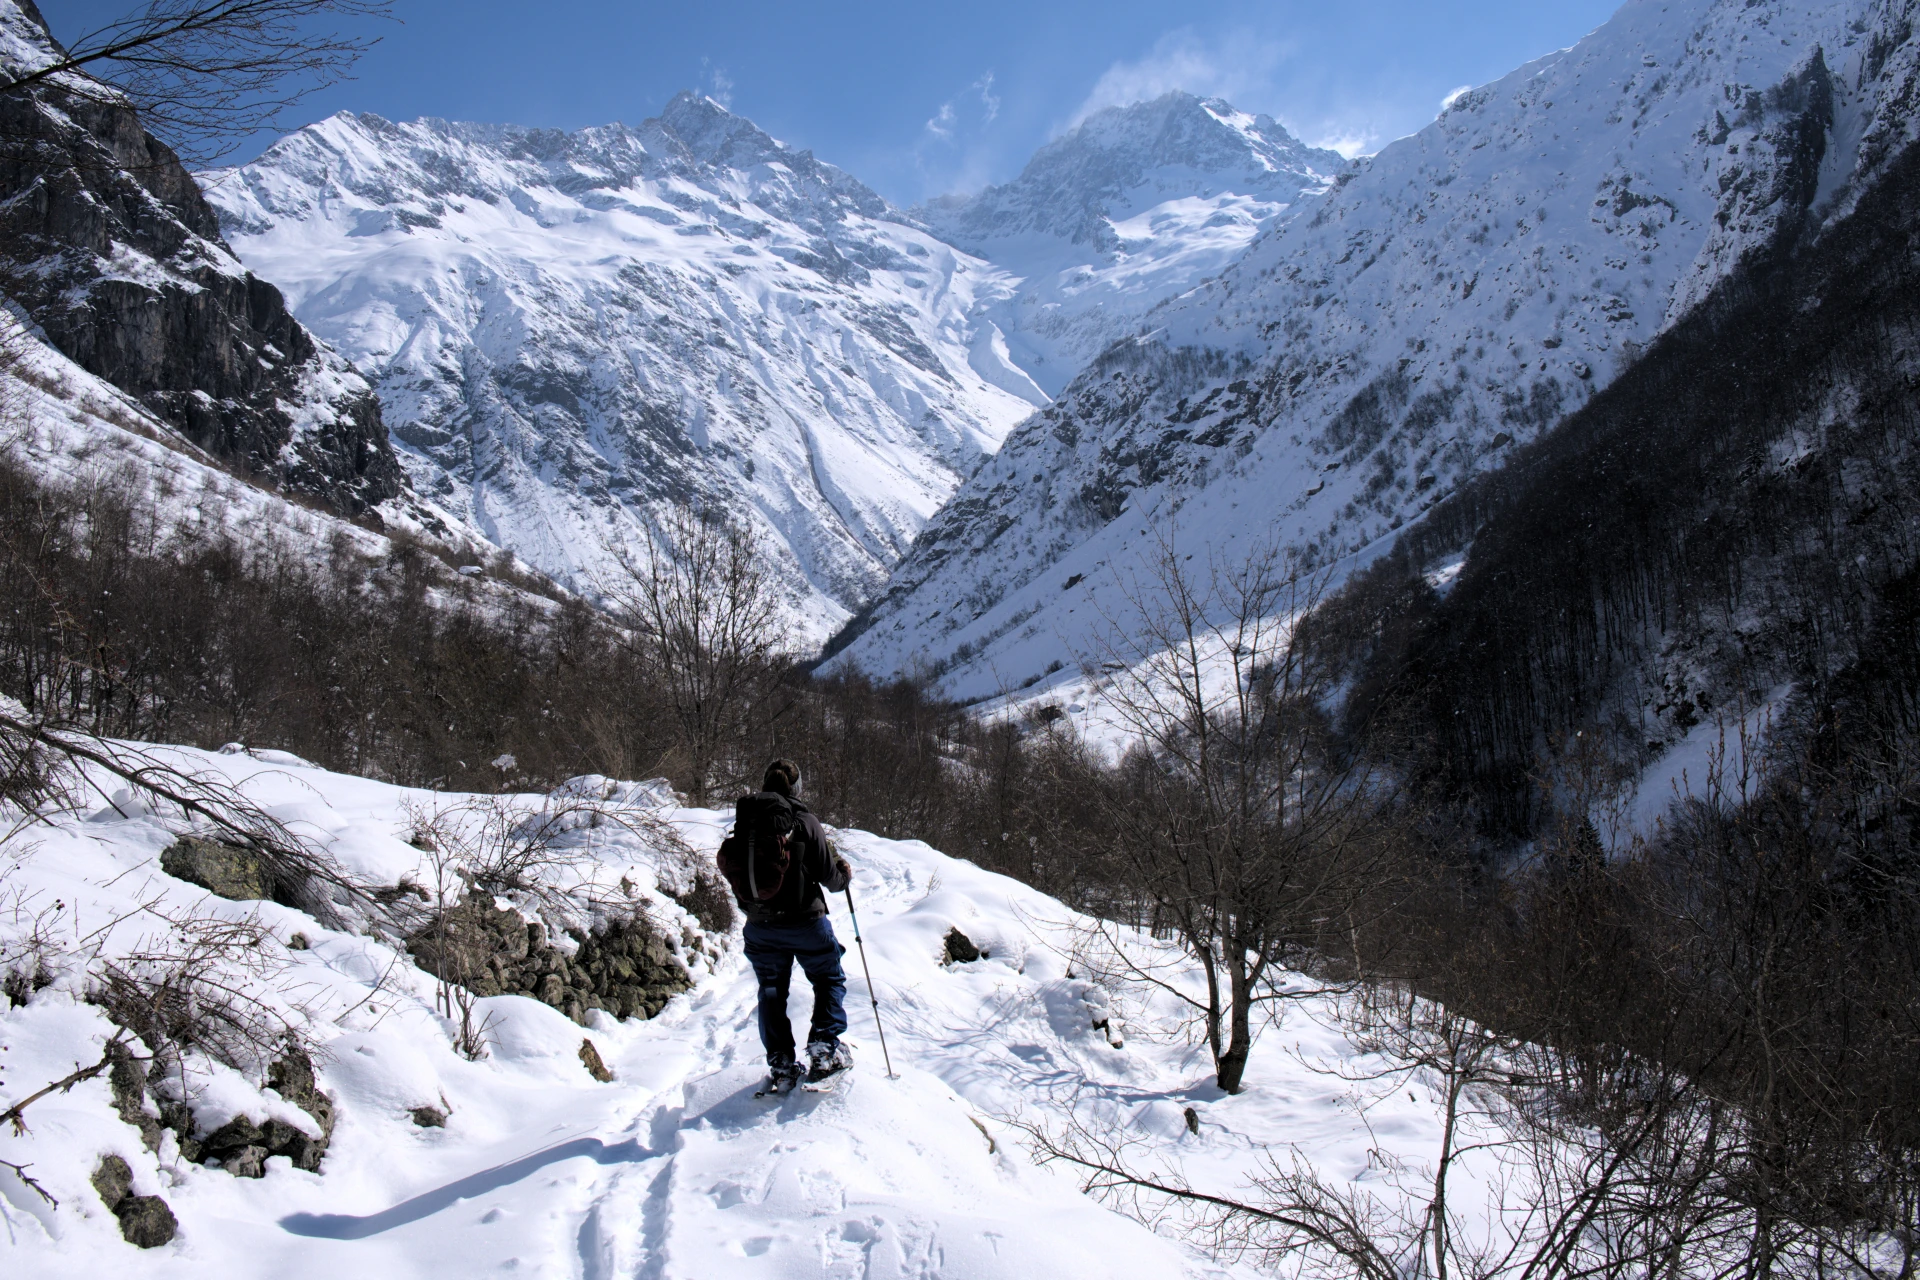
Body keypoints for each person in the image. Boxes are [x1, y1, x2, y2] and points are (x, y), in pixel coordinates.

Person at [741, 758, 853, 1092]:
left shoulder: (747, 822)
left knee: (772, 992)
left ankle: (781, 1064)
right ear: (797, 788)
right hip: (806, 922)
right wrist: (844, 875)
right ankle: (822, 1050)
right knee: (828, 978)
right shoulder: (804, 821)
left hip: (760, 926)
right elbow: (829, 877)